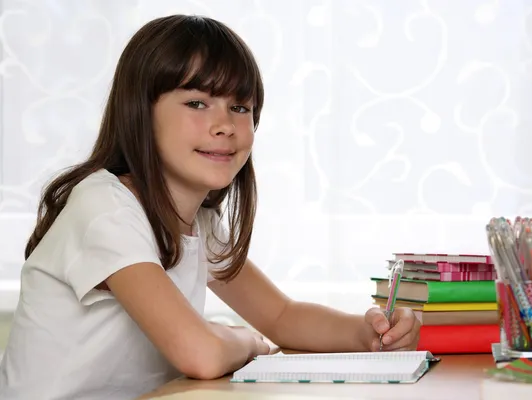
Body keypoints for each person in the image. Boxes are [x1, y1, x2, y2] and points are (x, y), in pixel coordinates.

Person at [0, 14, 421, 400]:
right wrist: (248, 341)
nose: (225, 125)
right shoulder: (105, 208)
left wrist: (368, 332)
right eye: (197, 103)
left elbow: (281, 315)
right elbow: (199, 354)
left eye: (240, 107)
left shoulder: (197, 220)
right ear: (140, 114)